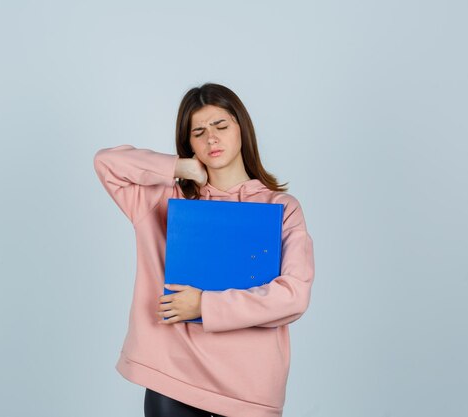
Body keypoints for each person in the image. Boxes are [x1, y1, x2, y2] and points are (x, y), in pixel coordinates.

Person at [93, 83, 315, 417]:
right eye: (199, 131)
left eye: (221, 126)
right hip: (173, 377)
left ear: (242, 128)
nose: (211, 138)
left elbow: (294, 296)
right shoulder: (162, 201)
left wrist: (204, 304)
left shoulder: (281, 207)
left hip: (250, 387)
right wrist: (178, 168)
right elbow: (107, 163)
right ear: (188, 143)